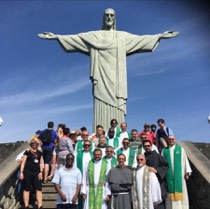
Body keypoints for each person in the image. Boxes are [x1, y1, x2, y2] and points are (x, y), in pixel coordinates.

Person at [38, 8, 179, 130]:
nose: (109, 18)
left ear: (115, 18)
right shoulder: (95, 36)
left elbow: (140, 40)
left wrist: (159, 36)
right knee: (100, 103)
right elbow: (77, 39)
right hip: (101, 77)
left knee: (117, 104)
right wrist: (57, 37)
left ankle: (116, 133)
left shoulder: (122, 36)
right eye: (107, 15)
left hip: (117, 80)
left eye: (112, 15)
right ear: (103, 18)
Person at [143, 140, 169, 209]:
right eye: (145, 146)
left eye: (148, 145)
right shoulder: (143, 157)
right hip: (146, 188)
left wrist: (156, 170)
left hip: (157, 186)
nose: (147, 147)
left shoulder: (157, 156)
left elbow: (165, 166)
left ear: (151, 146)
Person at [162, 136, 192, 209]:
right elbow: (162, 163)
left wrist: (187, 172)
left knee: (181, 190)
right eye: (169, 139)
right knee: (170, 191)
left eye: (172, 139)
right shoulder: (164, 151)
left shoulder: (181, 149)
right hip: (169, 176)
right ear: (167, 140)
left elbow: (185, 160)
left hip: (180, 175)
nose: (171, 140)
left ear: (175, 140)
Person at [19, 138, 46, 209]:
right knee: (26, 189)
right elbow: (23, 163)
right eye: (32, 143)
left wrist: (41, 172)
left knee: (38, 189)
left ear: (37, 145)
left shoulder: (40, 153)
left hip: (36, 173)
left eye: (35, 143)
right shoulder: (27, 152)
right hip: (27, 172)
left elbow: (41, 163)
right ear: (31, 145)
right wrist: (21, 172)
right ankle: (26, 207)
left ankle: (40, 206)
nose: (34, 144)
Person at [75, 140, 93, 209]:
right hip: (80, 178)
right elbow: (75, 166)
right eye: (85, 145)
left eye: (88, 145)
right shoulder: (78, 155)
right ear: (83, 146)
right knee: (80, 198)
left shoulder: (93, 154)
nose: (87, 146)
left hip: (91, 180)